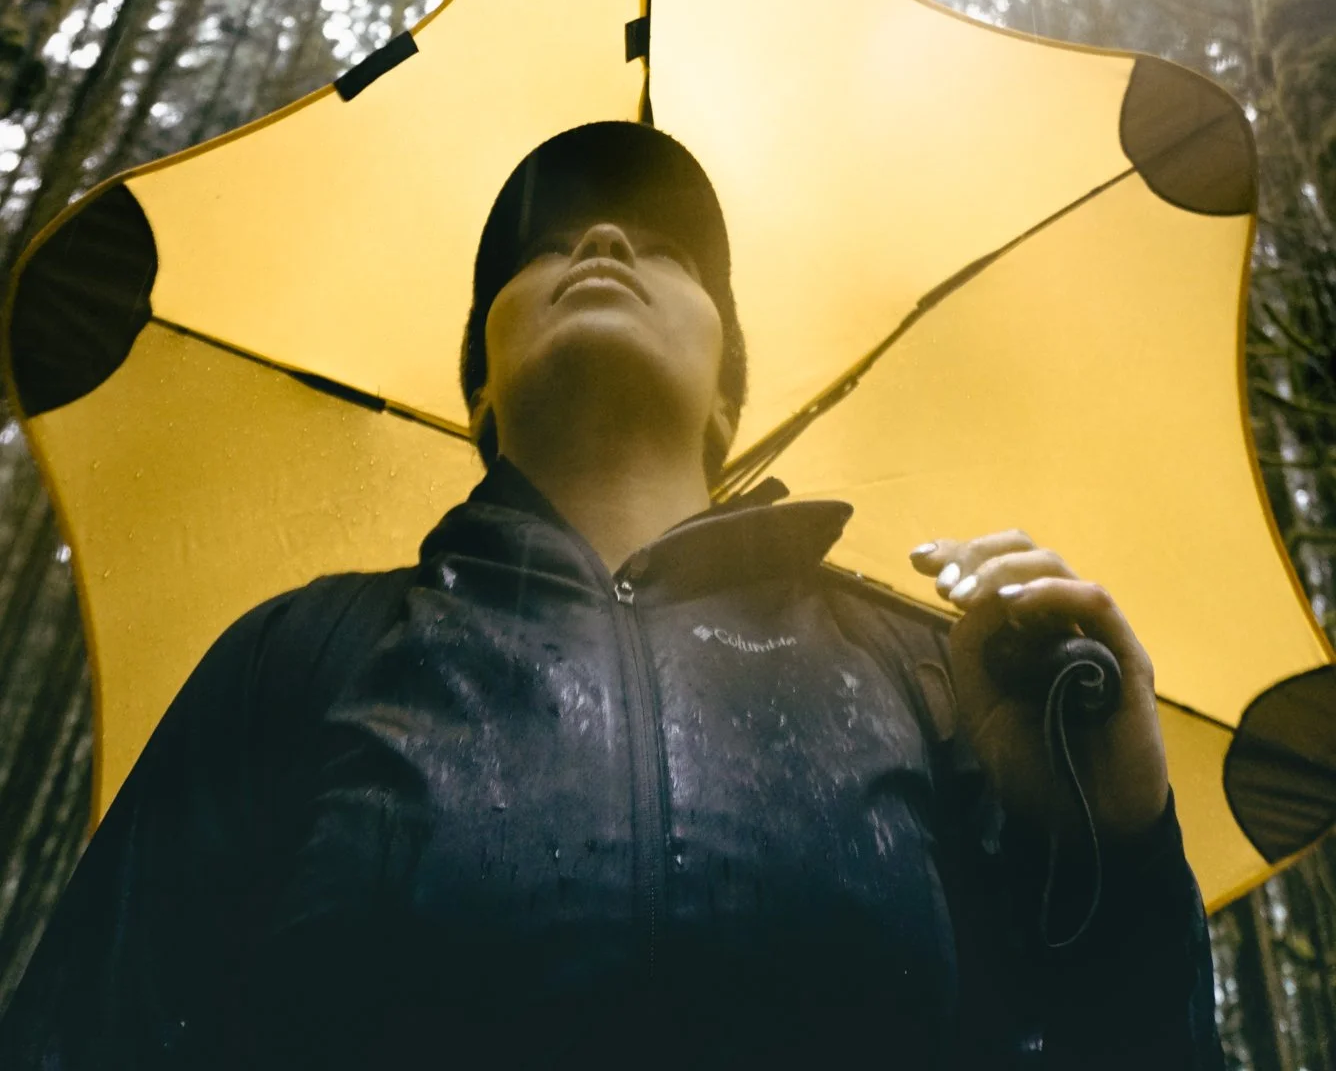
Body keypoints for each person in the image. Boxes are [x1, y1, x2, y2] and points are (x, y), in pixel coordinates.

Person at [1, 121, 1223, 1069]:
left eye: (666, 249)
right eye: (545, 245)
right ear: (481, 390)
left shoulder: (934, 671)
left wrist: (1108, 843)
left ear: (727, 396)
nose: (599, 245)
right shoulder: (305, 646)